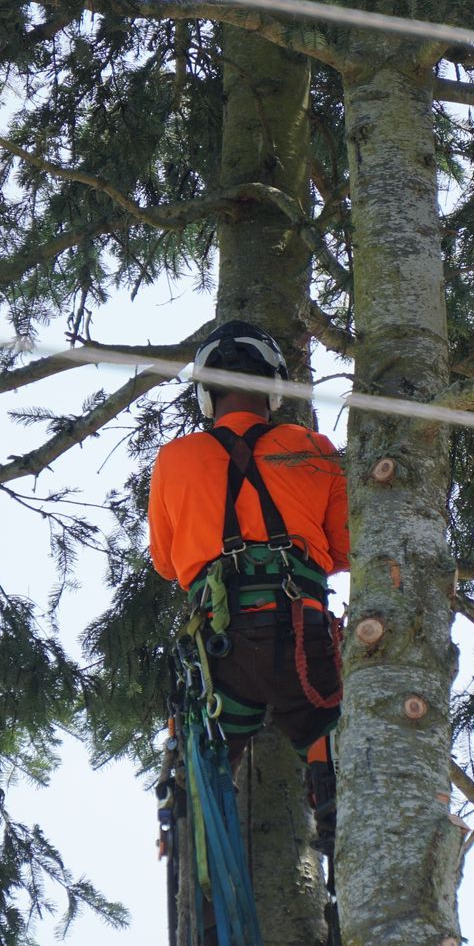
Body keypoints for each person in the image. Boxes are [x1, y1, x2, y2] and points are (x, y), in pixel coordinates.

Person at [149, 320, 348, 860]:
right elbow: (346, 548)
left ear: (206, 393)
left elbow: (168, 564)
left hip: (221, 652)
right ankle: (332, 801)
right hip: (300, 638)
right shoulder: (315, 448)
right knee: (326, 725)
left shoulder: (174, 459)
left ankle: (201, 858)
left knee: (206, 762)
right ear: (277, 390)